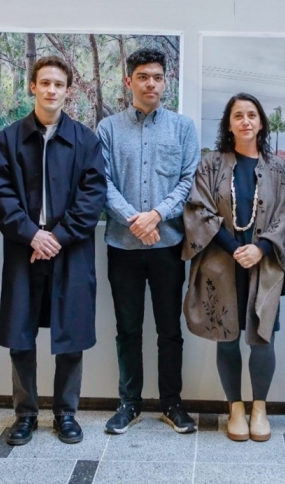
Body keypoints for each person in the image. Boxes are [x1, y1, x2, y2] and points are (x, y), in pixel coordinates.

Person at [0, 56, 107, 446]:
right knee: (22, 336)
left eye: (59, 84)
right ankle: (25, 415)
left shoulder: (86, 140)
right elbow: (0, 194)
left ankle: (65, 413)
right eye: (45, 83)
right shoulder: (7, 139)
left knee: (70, 335)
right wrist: (31, 235)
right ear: (32, 88)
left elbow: (92, 197)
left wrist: (56, 237)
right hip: (24, 251)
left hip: (69, 252)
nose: (51, 90)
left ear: (68, 91)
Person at [97, 47, 200, 434]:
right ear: (129, 82)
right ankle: (129, 403)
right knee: (127, 329)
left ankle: (172, 402)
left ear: (165, 81)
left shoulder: (182, 127)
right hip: (123, 247)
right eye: (143, 76)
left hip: (168, 246)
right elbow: (101, 181)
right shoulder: (108, 128)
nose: (151, 83)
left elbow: (188, 180)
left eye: (157, 76)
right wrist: (132, 219)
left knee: (169, 330)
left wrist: (155, 215)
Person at [182, 93, 285, 442]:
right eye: (238, 116)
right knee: (226, 337)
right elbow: (199, 209)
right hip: (221, 264)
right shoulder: (211, 164)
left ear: (261, 122)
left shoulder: (276, 168)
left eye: (252, 115)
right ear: (228, 124)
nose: (246, 121)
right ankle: (236, 408)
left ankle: (259, 408)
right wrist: (234, 248)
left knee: (263, 338)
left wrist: (260, 249)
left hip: (265, 265)